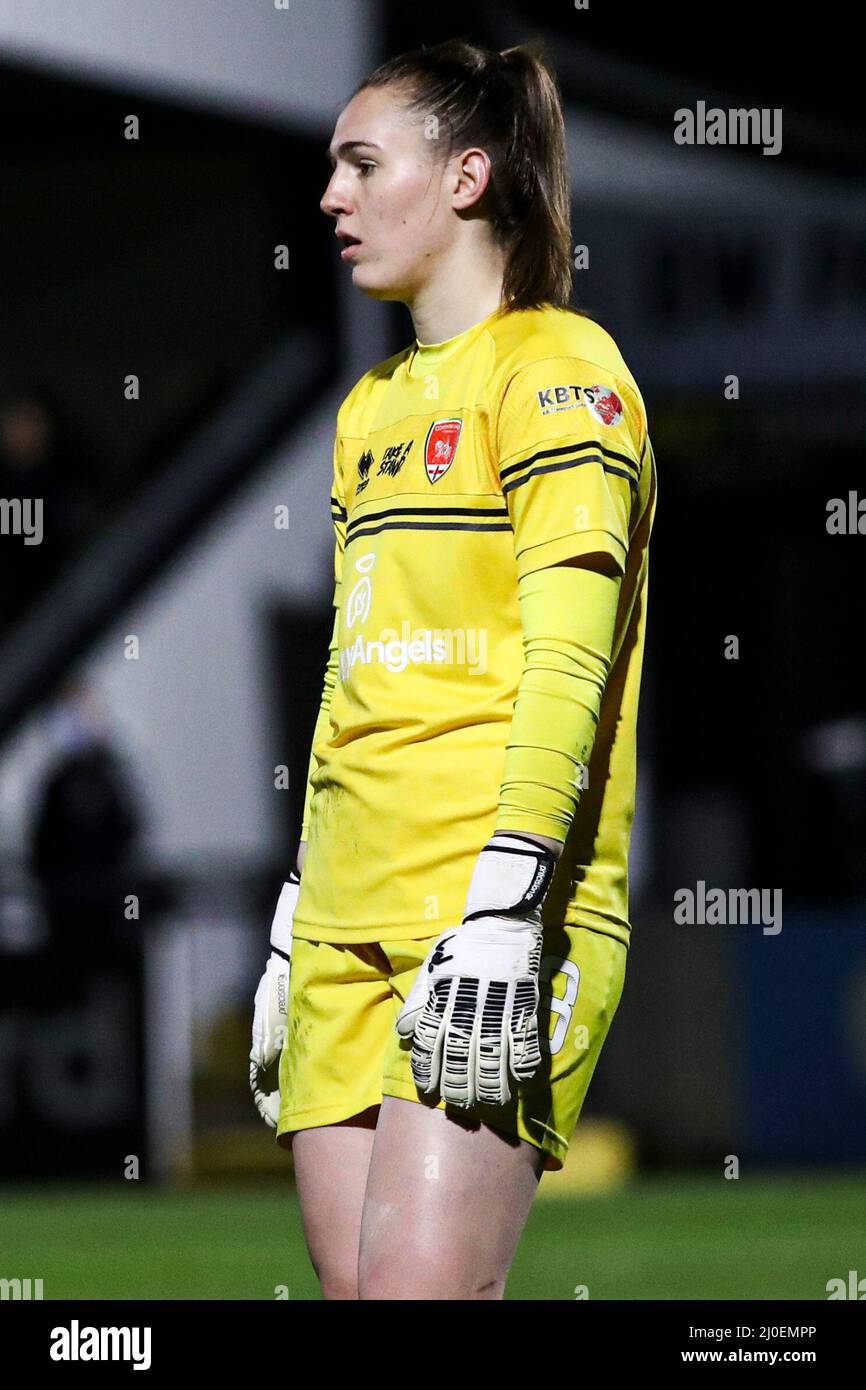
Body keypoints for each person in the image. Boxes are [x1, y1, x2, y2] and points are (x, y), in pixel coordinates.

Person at [250, 37, 657, 1300]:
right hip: (341, 919)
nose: (332, 196)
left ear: (468, 175)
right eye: (332, 169)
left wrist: (507, 894)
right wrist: (293, 910)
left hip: (485, 911)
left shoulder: (559, 371)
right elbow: (351, 669)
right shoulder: (367, 409)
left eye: (362, 164)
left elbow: (567, 662)